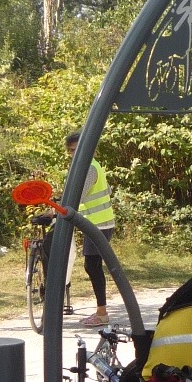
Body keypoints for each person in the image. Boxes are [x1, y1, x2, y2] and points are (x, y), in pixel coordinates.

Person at [65, 130, 116, 328]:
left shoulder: (88, 168)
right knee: (93, 265)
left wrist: (56, 210)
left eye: (77, 149)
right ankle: (101, 311)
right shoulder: (91, 165)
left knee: (92, 266)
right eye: (71, 151)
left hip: (98, 224)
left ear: (90, 149)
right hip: (98, 222)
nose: (74, 154)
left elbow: (77, 196)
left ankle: (102, 313)